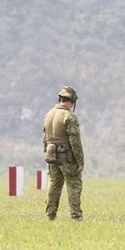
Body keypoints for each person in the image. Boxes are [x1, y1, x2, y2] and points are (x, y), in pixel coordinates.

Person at [43, 86, 84, 221]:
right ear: (72, 101)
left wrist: (47, 152)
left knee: (54, 184)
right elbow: (75, 141)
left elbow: (45, 138)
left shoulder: (48, 114)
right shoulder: (69, 116)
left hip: (51, 154)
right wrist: (80, 161)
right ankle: (76, 216)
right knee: (74, 184)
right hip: (66, 156)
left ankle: (50, 215)